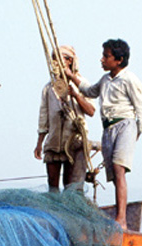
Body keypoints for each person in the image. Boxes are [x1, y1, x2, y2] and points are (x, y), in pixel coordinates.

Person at [68, 39, 142, 228]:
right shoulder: (105, 80)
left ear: (119, 60)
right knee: (114, 174)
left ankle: (121, 219)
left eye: (106, 56)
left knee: (119, 169)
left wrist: (136, 132)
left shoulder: (129, 79)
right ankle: (120, 214)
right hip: (108, 129)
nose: (102, 60)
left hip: (125, 125)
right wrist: (71, 77)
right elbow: (89, 90)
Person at [34, 46, 96, 192]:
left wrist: (75, 95)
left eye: (59, 59)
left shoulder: (80, 83)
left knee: (71, 186)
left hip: (75, 141)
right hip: (54, 142)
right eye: (53, 59)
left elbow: (91, 110)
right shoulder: (49, 88)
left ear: (69, 61)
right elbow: (44, 117)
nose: (54, 62)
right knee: (53, 184)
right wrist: (39, 143)